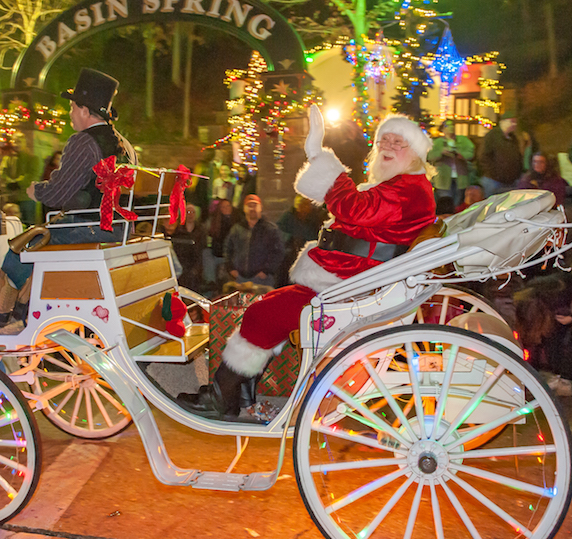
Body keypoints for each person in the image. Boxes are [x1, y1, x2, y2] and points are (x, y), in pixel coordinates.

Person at [177, 105, 437, 419]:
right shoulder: (402, 186)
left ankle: (222, 397)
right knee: (266, 307)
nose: (389, 146)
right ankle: (236, 394)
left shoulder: (408, 190)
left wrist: (318, 155)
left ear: (416, 154)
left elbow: (354, 208)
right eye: (385, 140)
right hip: (349, 282)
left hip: (350, 290)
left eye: (399, 142)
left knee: (263, 312)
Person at [0, 68, 136, 327]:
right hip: (120, 227)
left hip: (90, 228)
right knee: (44, 235)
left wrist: (36, 190)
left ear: (84, 110)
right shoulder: (123, 145)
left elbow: (59, 193)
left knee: (24, 244)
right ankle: (22, 303)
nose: (69, 113)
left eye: (71, 107)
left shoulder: (83, 142)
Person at [221, 194, 284, 292]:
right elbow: (227, 249)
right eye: (249, 205)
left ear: (260, 208)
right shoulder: (236, 229)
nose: (252, 208)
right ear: (244, 209)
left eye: (255, 205)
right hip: (239, 279)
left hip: (263, 280)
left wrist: (266, 270)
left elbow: (278, 252)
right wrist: (230, 268)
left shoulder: (270, 229)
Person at [427, 119, 475, 206]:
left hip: (460, 178)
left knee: (458, 203)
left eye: (452, 125)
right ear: (443, 129)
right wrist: (441, 152)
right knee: (445, 203)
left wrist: (461, 154)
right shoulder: (437, 143)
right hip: (443, 178)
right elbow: (430, 156)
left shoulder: (463, 140)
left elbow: (471, 153)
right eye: (447, 126)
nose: (451, 128)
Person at [478, 111, 524, 196]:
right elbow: (484, 156)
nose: (514, 124)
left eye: (515, 122)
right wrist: (494, 173)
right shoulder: (491, 136)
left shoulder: (513, 139)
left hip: (511, 181)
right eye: (512, 121)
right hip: (494, 181)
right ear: (503, 122)